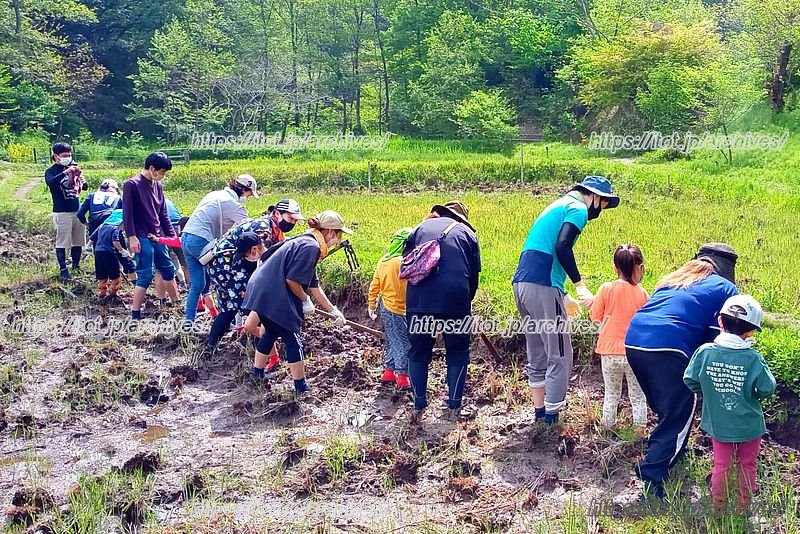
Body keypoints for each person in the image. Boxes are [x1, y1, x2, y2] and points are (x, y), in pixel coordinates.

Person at [625, 242, 739, 500]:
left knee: (669, 408)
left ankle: (671, 449)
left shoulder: (674, 280)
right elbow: (715, 338)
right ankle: (652, 477)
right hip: (669, 346)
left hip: (634, 340)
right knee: (682, 409)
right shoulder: (726, 288)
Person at [512, 175, 620, 425]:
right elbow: (563, 246)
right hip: (543, 285)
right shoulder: (578, 208)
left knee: (537, 351)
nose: (601, 209)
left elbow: (545, 249)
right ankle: (552, 418)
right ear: (595, 197)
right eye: (604, 203)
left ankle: (540, 413)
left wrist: (563, 293)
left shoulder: (558, 204)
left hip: (522, 284)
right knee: (560, 353)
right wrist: (580, 286)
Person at [683, 295, 775, 515]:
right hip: (749, 426)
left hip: (719, 424)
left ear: (720, 321)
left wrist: (710, 392)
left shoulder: (705, 352)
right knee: (747, 465)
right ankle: (743, 509)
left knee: (721, 466)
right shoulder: (753, 358)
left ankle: (719, 509)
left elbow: (690, 379)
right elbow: (767, 387)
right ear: (751, 331)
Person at [242, 211, 350, 393]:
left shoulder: (305, 241)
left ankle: (257, 374)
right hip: (273, 293)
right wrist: (305, 300)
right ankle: (301, 387)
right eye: (338, 235)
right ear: (331, 232)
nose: (337, 240)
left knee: (270, 332)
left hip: (260, 289)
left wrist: (332, 310)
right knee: (293, 340)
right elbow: (292, 280)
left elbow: (314, 284)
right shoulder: (311, 247)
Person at [404, 201, 481, 423]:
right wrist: (464, 303)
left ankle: (419, 403)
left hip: (420, 299)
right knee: (457, 350)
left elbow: (407, 266)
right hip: (455, 298)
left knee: (418, 350)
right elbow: (473, 277)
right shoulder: (467, 234)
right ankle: (454, 405)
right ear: (461, 219)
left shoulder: (419, 228)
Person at [206, 199, 305, 370]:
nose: (292, 223)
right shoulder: (263, 231)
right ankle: (265, 354)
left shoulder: (273, 228)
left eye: (295, 220)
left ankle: (209, 348)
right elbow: (262, 261)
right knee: (254, 309)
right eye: (290, 218)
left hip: (224, 267)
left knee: (230, 309)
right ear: (277, 214)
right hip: (229, 268)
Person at [182, 174, 259, 325]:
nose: (248, 198)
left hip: (186, 238)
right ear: (244, 190)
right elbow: (249, 230)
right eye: (249, 195)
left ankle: (188, 322)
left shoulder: (215, 194)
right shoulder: (232, 204)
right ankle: (231, 320)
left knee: (197, 284)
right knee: (225, 277)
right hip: (201, 239)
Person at [589, 244, 649, 433]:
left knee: (611, 394)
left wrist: (594, 304)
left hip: (609, 352)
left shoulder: (605, 289)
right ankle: (639, 431)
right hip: (633, 353)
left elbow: (595, 317)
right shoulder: (642, 293)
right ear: (639, 267)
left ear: (615, 267)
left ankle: (608, 429)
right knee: (638, 396)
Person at [122, 152, 180, 320]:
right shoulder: (132, 184)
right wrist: (132, 237)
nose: (162, 176)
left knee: (168, 268)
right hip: (140, 235)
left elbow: (163, 214)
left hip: (157, 235)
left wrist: (172, 237)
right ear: (152, 168)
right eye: (162, 172)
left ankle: (176, 305)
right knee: (145, 274)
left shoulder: (157, 186)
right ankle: (135, 312)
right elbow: (128, 214)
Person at [368, 228, 414, 391]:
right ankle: (402, 376)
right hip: (398, 309)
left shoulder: (384, 260)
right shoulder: (404, 262)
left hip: (385, 306)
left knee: (392, 340)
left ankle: (388, 372)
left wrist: (372, 305)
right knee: (404, 342)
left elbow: (375, 285)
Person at [45, 142, 88, 280]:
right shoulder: (51, 171)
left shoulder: (73, 168)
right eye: (64, 155)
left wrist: (81, 180)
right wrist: (65, 172)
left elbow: (84, 187)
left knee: (78, 241)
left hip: (77, 210)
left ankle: (76, 265)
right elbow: (51, 182)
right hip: (62, 212)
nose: (68, 158)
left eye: (69, 155)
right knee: (62, 242)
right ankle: (63, 269)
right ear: (56, 156)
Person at [88, 209, 129, 304]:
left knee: (102, 274)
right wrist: (122, 250)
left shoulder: (101, 226)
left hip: (98, 253)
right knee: (115, 276)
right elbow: (115, 242)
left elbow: (92, 238)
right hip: (109, 253)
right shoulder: (114, 228)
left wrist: (88, 246)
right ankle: (113, 293)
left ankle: (102, 291)